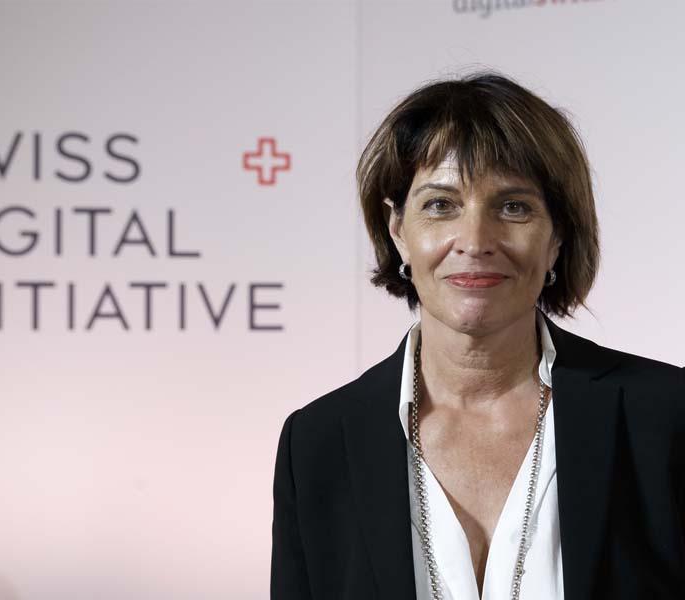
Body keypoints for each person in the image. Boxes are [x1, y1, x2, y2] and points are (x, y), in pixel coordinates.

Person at [270, 72, 685, 600]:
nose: (475, 240)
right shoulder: (317, 444)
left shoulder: (666, 417)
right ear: (398, 231)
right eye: (440, 205)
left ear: (557, 236)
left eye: (513, 207)